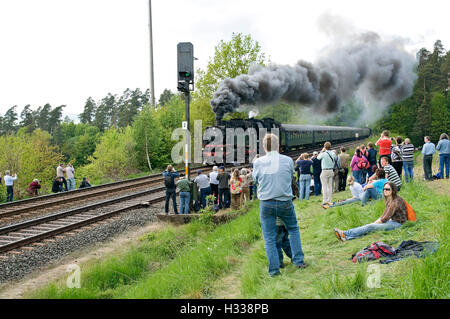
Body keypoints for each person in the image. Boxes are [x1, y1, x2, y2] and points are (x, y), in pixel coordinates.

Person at [252, 133, 307, 276]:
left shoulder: (258, 162)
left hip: (266, 203)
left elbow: (255, 180)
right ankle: (299, 261)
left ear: (264, 147)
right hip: (285, 201)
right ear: (279, 146)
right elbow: (289, 177)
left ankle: (275, 271)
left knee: (269, 238)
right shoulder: (288, 160)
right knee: (293, 229)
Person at [334, 182, 407, 241]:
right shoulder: (390, 199)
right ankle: (347, 236)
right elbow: (384, 215)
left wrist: (374, 223)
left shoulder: (395, 202)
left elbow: (385, 218)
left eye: (387, 189)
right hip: (393, 220)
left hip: (398, 224)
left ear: (393, 190)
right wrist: (376, 222)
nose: (385, 190)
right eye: (384, 189)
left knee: (370, 226)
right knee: (371, 226)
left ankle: (345, 234)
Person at [318, 142, 337, 206]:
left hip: (324, 171)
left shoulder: (323, 154)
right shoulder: (333, 153)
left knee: (324, 186)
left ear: (324, 147)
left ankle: (325, 200)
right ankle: (330, 199)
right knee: (330, 186)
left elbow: (318, 157)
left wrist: (322, 151)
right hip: (331, 170)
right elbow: (335, 158)